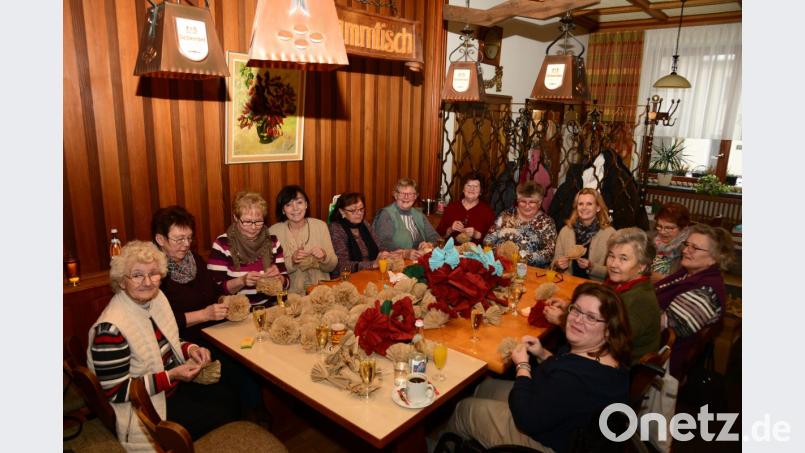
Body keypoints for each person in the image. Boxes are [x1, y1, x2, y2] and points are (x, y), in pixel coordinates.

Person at [88, 241, 239, 451]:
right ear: (121, 282)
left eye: (153, 274)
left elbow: (167, 341)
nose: (147, 282)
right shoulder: (110, 329)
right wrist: (172, 376)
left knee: (229, 393)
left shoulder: (156, 299)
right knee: (223, 410)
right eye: (137, 275)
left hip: (168, 390)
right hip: (147, 410)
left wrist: (191, 349)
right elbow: (116, 391)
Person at [446, 283, 630, 452]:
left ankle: (445, 446)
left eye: (591, 317)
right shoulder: (603, 355)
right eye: (576, 310)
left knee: (465, 409)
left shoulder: (574, 379)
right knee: (485, 387)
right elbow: (567, 369)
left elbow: (527, 419)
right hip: (558, 417)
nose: (577, 320)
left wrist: (523, 366)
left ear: (609, 329)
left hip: (549, 442)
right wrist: (542, 354)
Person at [545, 228, 660, 363]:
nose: (613, 264)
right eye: (611, 256)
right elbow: (600, 313)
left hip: (616, 364)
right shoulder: (618, 283)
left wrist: (562, 320)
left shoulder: (641, 299)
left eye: (623, 258)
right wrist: (570, 306)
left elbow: (611, 340)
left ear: (641, 266)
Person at [655, 223, 734, 377]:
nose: (685, 250)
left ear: (714, 258)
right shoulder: (687, 273)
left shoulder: (706, 292)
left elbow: (662, 326)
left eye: (695, 248)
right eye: (687, 245)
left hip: (658, 364)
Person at [152, 205, 227, 344]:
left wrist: (224, 300)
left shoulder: (194, 259)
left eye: (189, 238)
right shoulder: (152, 272)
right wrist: (204, 315)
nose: (186, 244)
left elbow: (214, 290)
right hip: (184, 343)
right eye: (179, 239)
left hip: (214, 333)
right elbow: (160, 322)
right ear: (160, 239)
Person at [208, 190, 289, 306]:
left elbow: (286, 283)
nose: (253, 227)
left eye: (258, 221)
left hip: (268, 307)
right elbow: (215, 290)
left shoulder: (273, 242)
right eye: (247, 221)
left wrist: (279, 278)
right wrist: (242, 281)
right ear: (236, 217)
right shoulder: (222, 244)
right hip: (235, 311)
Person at [269, 185, 338, 294]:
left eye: (299, 202)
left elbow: (332, 265)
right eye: (288, 205)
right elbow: (271, 271)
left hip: (320, 292)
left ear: (306, 204)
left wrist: (324, 257)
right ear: (283, 210)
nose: (295, 208)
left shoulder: (320, 226)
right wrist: (292, 261)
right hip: (289, 295)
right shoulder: (274, 231)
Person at [484, 181, 557, 268]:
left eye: (532, 202)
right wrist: (498, 251)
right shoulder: (506, 215)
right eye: (523, 201)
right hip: (499, 265)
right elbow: (488, 240)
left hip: (529, 270)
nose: (527, 206)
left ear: (539, 203)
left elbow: (549, 253)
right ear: (517, 200)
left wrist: (521, 257)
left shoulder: (546, 222)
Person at [552, 188, 615, 280]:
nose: (584, 207)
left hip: (595, 286)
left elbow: (614, 271)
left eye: (589, 204)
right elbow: (554, 263)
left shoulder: (610, 234)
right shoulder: (566, 231)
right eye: (580, 204)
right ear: (576, 207)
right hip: (567, 282)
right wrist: (558, 264)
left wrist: (592, 267)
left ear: (598, 208)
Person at [328, 192, 392, 278]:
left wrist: (386, 254)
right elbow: (342, 265)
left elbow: (380, 246)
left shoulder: (364, 224)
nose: (359, 213)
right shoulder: (336, 228)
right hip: (347, 278)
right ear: (341, 211)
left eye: (361, 209)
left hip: (370, 273)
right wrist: (372, 264)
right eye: (353, 211)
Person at [374, 178, 440, 260]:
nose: (406, 197)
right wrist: (405, 253)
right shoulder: (386, 214)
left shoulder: (419, 214)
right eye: (402, 193)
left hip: (418, 258)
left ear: (415, 197)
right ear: (395, 195)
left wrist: (429, 244)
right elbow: (384, 242)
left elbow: (434, 236)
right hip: (397, 261)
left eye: (410, 194)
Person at [435, 173, 496, 243]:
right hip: (451, 249)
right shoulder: (451, 208)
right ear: (463, 189)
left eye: (476, 186)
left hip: (476, 250)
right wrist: (450, 229)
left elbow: (492, 241)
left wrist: (476, 234)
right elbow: (437, 236)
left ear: (481, 192)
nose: (472, 189)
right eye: (468, 185)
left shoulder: (487, 212)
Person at [650, 202, 692, 282]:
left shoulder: (688, 249)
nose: (662, 232)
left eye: (669, 228)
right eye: (659, 226)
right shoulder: (650, 241)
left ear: (683, 227)